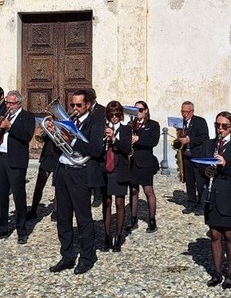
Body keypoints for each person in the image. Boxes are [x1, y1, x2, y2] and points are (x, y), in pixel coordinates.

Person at [49, 89, 106, 275]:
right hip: (63, 171)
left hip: (80, 173)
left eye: (78, 105)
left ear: (88, 105)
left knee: (83, 218)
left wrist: (72, 140)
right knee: (63, 218)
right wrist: (53, 134)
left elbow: (96, 149)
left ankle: (87, 258)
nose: (74, 108)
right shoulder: (68, 121)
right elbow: (58, 149)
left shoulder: (95, 121)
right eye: (72, 104)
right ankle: (66, 256)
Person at [204, 112, 231, 289]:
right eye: (217, 125)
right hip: (212, 194)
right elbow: (201, 165)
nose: (220, 129)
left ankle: (229, 273)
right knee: (214, 234)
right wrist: (205, 171)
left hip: (230, 195)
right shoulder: (210, 145)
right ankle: (216, 272)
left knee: (229, 234)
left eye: (224, 126)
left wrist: (226, 165)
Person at [0, 90, 34, 242]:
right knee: (2, 194)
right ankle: (2, 227)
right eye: (7, 102)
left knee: (18, 195)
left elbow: (27, 136)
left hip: (16, 160)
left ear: (19, 103)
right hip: (0, 158)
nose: (8, 105)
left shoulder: (27, 117)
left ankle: (21, 230)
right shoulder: (4, 115)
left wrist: (10, 126)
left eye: (12, 103)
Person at [101, 100, 133, 252]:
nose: (114, 117)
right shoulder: (102, 128)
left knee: (119, 203)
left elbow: (127, 149)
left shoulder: (126, 129)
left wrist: (114, 139)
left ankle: (119, 236)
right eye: (111, 114)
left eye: (117, 114)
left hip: (120, 169)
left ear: (121, 115)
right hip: (105, 170)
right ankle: (107, 236)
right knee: (106, 203)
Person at [128, 100, 160, 232]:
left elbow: (153, 141)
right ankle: (133, 219)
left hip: (145, 162)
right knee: (133, 191)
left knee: (148, 191)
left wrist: (138, 139)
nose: (138, 112)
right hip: (132, 162)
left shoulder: (153, 125)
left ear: (146, 110)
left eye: (140, 110)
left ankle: (152, 220)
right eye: (135, 110)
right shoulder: (131, 124)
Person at [177, 101, 211, 212]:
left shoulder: (200, 121)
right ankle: (191, 202)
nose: (184, 114)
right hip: (186, 155)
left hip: (198, 155)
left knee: (200, 181)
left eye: (186, 112)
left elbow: (205, 137)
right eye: (182, 111)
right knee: (189, 181)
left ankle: (202, 204)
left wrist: (190, 140)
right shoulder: (181, 123)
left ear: (192, 111)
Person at [28, 120, 60, 220]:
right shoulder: (51, 121)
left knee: (58, 186)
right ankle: (33, 209)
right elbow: (42, 139)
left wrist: (55, 130)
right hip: (47, 156)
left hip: (58, 156)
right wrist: (46, 129)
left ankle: (56, 211)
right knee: (39, 185)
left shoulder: (64, 123)